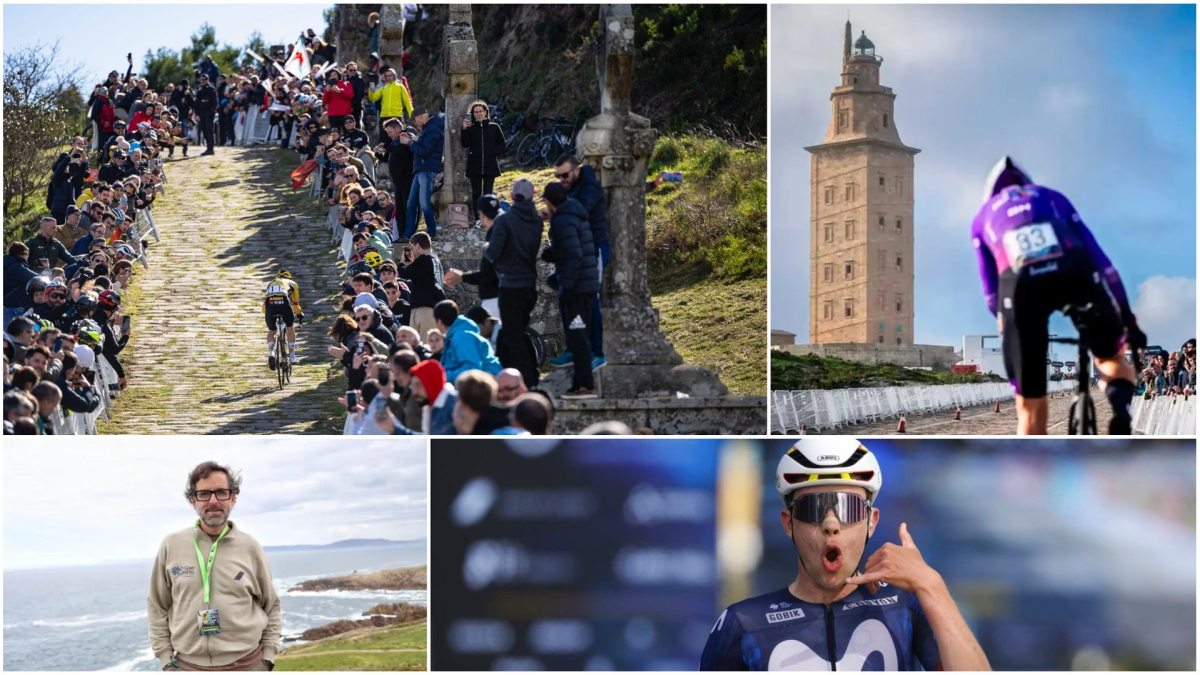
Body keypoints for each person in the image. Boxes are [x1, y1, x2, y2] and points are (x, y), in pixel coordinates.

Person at [700, 438, 991, 671]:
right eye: (812, 509)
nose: (831, 524)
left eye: (848, 507)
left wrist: (930, 584)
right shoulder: (743, 622)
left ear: (871, 522)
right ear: (788, 524)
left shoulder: (905, 605)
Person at [972, 157, 1143, 435]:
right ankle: (1120, 411)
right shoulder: (1052, 196)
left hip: (1019, 288)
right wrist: (1126, 314)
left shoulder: (982, 217)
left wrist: (1007, 325)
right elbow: (1102, 261)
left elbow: (991, 295)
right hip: (1074, 271)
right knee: (1111, 358)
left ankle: (1033, 454)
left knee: (1029, 406)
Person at [148, 461, 282, 671]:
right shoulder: (171, 545)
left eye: (221, 492)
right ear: (193, 501)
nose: (213, 501)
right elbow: (157, 606)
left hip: (248, 664)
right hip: (187, 666)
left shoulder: (250, 547)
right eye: (204, 494)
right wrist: (167, 661)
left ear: (233, 498)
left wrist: (268, 658)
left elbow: (271, 605)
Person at [542, 182, 600, 399]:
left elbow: (574, 255)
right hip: (584, 284)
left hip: (577, 287)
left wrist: (567, 286)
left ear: (549, 202)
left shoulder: (563, 220)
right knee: (578, 336)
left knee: (578, 336)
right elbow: (572, 249)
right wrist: (554, 254)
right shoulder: (574, 214)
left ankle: (586, 386)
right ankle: (577, 384)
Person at [482, 183, 542, 388]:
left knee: (513, 337)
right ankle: (532, 373)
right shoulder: (537, 220)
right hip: (529, 285)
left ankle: (529, 380)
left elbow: (493, 252)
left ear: (511, 195)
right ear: (533, 195)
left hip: (511, 285)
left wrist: (485, 246)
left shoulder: (505, 220)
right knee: (519, 333)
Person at [554, 154, 608, 370]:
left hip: (595, 248)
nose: (562, 180)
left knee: (591, 300)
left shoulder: (589, 187)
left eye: (565, 175)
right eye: (558, 177)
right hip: (576, 248)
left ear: (576, 170)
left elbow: (581, 210)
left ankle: (597, 353)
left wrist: (558, 208)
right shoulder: (572, 187)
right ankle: (572, 348)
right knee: (565, 296)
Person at [435, 299, 502, 384]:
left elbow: (472, 368)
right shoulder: (458, 335)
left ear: (439, 322)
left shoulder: (461, 337)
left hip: (489, 383)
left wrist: (442, 376)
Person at [460, 100, 506, 223]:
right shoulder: (470, 128)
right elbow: (465, 144)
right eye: (476, 112)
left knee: (488, 193)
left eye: (481, 111)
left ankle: (489, 218)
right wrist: (464, 129)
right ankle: (478, 220)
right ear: (473, 114)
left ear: (486, 112)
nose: (478, 114)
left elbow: (502, 144)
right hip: (474, 165)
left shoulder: (494, 127)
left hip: (490, 165)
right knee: (476, 194)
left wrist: (493, 152)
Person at [399, 232, 446, 340]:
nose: (413, 251)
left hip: (425, 310)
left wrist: (401, 263)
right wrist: (412, 264)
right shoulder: (434, 259)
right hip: (430, 308)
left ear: (417, 246)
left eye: (412, 247)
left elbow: (404, 273)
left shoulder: (424, 259)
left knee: (425, 345)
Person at [405, 106, 443, 239]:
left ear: (420, 116)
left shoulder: (433, 129)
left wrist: (410, 142)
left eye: (415, 120)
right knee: (411, 204)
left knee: (425, 204)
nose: (415, 124)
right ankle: (408, 235)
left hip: (427, 170)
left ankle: (431, 233)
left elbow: (425, 151)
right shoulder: (427, 129)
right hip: (420, 170)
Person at [264, 270, 303, 370]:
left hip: (270, 304)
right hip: (283, 303)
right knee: (290, 327)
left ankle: (271, 353)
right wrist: (299, 314)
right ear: (289, 278)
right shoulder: (293, 283)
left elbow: (264, 308)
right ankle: (292, 357)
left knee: (272, 331)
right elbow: (296, 305)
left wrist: (269, 314)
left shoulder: (271, 283)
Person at [367, 69, 414, 143]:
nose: (388, 77)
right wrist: (371, 92)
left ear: (394, 76)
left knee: (397, 140)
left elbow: (407, 102)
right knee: (383, 140)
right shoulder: (383, 88)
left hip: (396, 117)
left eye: (390, 75)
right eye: (387, 76)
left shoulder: (401, 87)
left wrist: (412, 114)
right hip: (384, 117)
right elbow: (373, 98)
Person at [194, 73, 219, 155]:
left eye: (204, 79)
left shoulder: (211, 89)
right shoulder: (199, 91)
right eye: (201, 79)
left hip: (209, 112)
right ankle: (208, 147)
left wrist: (212, 110)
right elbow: (196, 103)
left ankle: (211, 148)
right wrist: (197, 114)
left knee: (209, 130)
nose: (203, 81)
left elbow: (215, 101)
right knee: (204, 130)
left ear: (207, 80)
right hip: (201, 112)